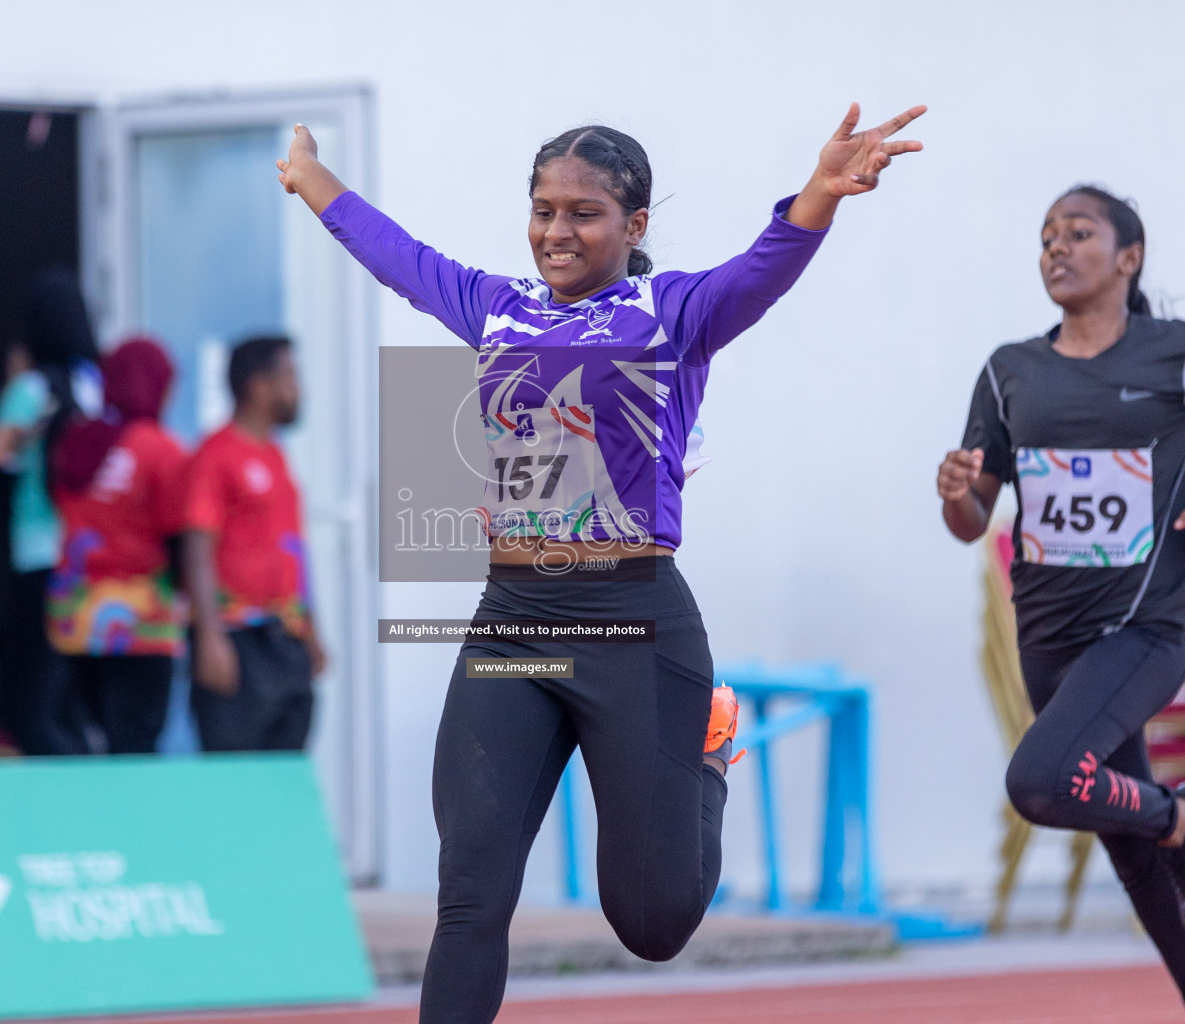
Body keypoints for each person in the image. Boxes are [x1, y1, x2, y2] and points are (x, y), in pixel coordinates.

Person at [276, 103, 924, 1022]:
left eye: (583, 212)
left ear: (636, 225)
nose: (556, 230)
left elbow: (762, 272)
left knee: (651, 920)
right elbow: (401, 259)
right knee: (469, 893)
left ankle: (707, 750)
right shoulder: (496, 307)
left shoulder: (674, 314)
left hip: (635, 622)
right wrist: (315, 186)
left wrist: (820, 190)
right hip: (514, 619)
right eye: (543, 208)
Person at [937, 186, 1185, 1024]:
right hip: (1048, 641)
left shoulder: (1176, 353)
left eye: (1079, 233)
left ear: (1127, 258)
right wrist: (954, 494)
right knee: (1131, 851)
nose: (1056, 247)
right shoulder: (1010, 369)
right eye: (1046, 236)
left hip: (1141, 633)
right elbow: (971, 520)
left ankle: (1182, 811)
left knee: (1043, 782)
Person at [0, 268, 101, 754]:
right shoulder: (95, 389)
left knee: (29, 706)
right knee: (71, 701)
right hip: (88, 560)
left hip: (38, 556)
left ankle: (69, 797)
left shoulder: (32, 390)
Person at [183, 336, 326, 752]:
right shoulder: (215, 454)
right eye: (290, 377)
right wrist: (210, 636)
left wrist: (312, 629)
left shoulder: (277, 456)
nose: (298, 389)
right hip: (237, 642)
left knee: (286, 775)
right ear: (258, 386)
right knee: (235, 781)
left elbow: (293, 548)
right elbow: (197, 548)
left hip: (286, 639)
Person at [48, 336, 185, 754]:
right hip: (140, 622)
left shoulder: (74, 441)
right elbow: (180, 536)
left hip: (75, 616)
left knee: (90, 742)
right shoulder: (159, 450)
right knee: (136, 747)